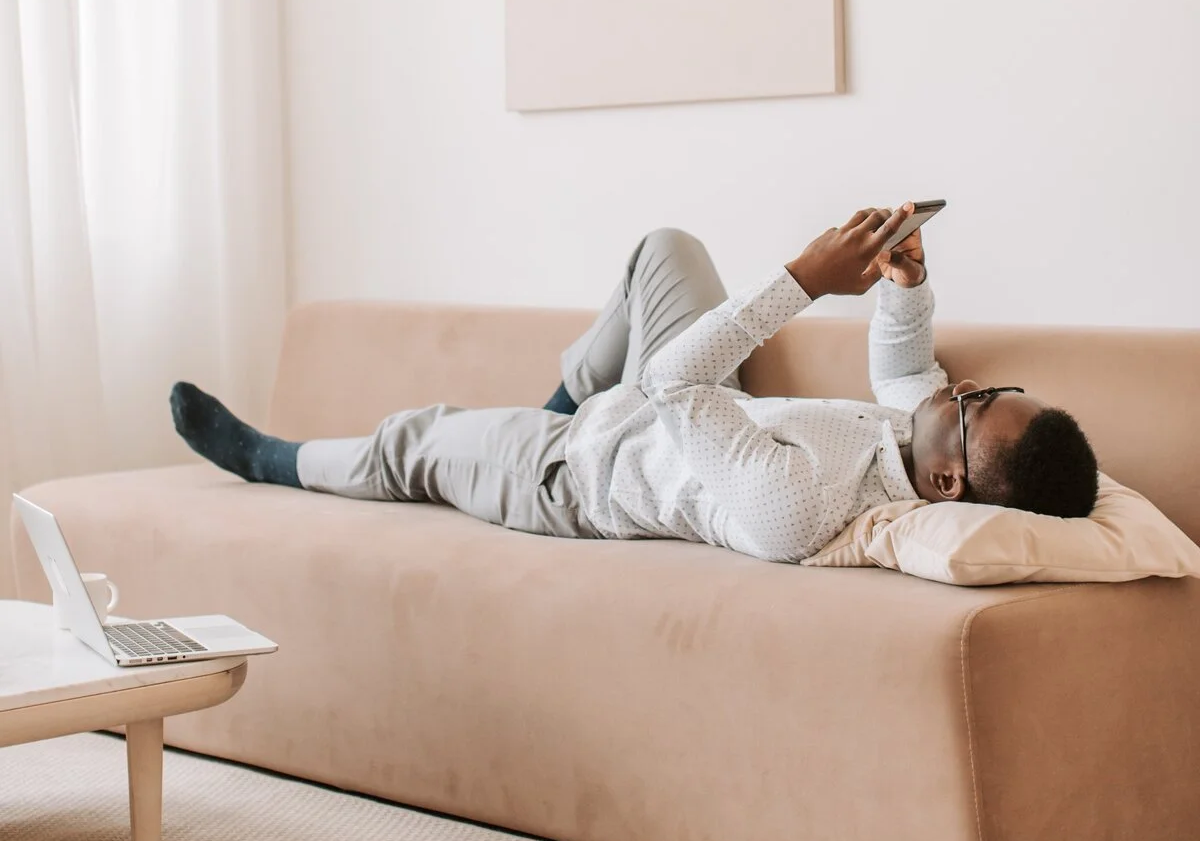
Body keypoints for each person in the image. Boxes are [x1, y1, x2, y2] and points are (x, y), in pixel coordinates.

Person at [170, 205, 1099, 564]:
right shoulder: (913, 445)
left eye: (974, 406)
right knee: (666, 252)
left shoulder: (796, 507)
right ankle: (563, 396)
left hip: (580, 475)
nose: (962, 388)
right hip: (689, 410)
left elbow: (669, 380)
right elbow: (905, 366)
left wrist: (805, 280)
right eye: (988, 387)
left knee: (417, 440)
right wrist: (907, 282)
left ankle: (271, 458)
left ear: (950, 483)